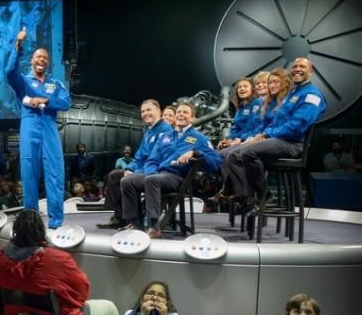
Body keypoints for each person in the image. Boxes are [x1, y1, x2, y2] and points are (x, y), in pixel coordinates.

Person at [0, 209, 121, 315]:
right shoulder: (57, 259)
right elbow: (82, 292)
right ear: (41, 231)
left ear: (15, 232)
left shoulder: (1, 261)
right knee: (110, 310)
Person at [219, 57, 326, 216]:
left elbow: (297, 125)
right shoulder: (292, 94)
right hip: (278, 140)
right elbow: (275, 122)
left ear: (310, 71)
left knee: (247, 152)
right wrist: (261, 135)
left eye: (302, 66)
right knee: (234, 153)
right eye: (294, 66)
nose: (297, 69)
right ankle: (246, 197)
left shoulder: (312, 95)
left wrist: (267, 134)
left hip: (293, 144)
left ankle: (263, 195)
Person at [119, 101, 221, 238]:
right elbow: (152, 160)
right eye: (179, 112)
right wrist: (151, 173)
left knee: (151, 180)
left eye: (185, 112)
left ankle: (153, 226)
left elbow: (215, 162)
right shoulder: (165, 137)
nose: (181, 115)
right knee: (127, 181)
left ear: (192, 118)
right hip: (158, 175)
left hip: (178, 178)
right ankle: (135, 223)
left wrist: (195, 152)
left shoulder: (199, 138)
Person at [6, 27, 71, 229]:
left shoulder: (56, 84)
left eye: (44, 57)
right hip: (29, 126)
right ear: (32, 61)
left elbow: (66, 103)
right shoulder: (23, 81)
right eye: (37, 57)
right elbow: (9, 72)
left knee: (55, 173)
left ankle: (56, 222)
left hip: (49, 128)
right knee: (29, 172)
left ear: (48, 62)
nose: (41, 59)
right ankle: (31, 221)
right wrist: (18, 45)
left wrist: (45, 100)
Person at [97, 100, 174, 229]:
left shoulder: (166, 130)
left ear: (158, 111)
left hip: (155, 172)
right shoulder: (148, 132)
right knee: (112, 176)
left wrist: (136, 171)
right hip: (142, 169)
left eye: (148, 110)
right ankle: (120, 216)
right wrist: (129, 168)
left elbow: (157, 159)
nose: (145, 113)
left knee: (118, 177)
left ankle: (131, 219)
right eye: (143, 111)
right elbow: (139, 157)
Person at [216, 78, 261, 150]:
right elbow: (235, 127)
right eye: (239, 87)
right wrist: (229, 139)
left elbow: (251, 126)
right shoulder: (240, 107)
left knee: (228, 154)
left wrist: (239, 139)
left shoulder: (256, 103)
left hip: (249, 138)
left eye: (245, 86)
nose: (242, 89)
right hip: (239, 140)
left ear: (252, 89)